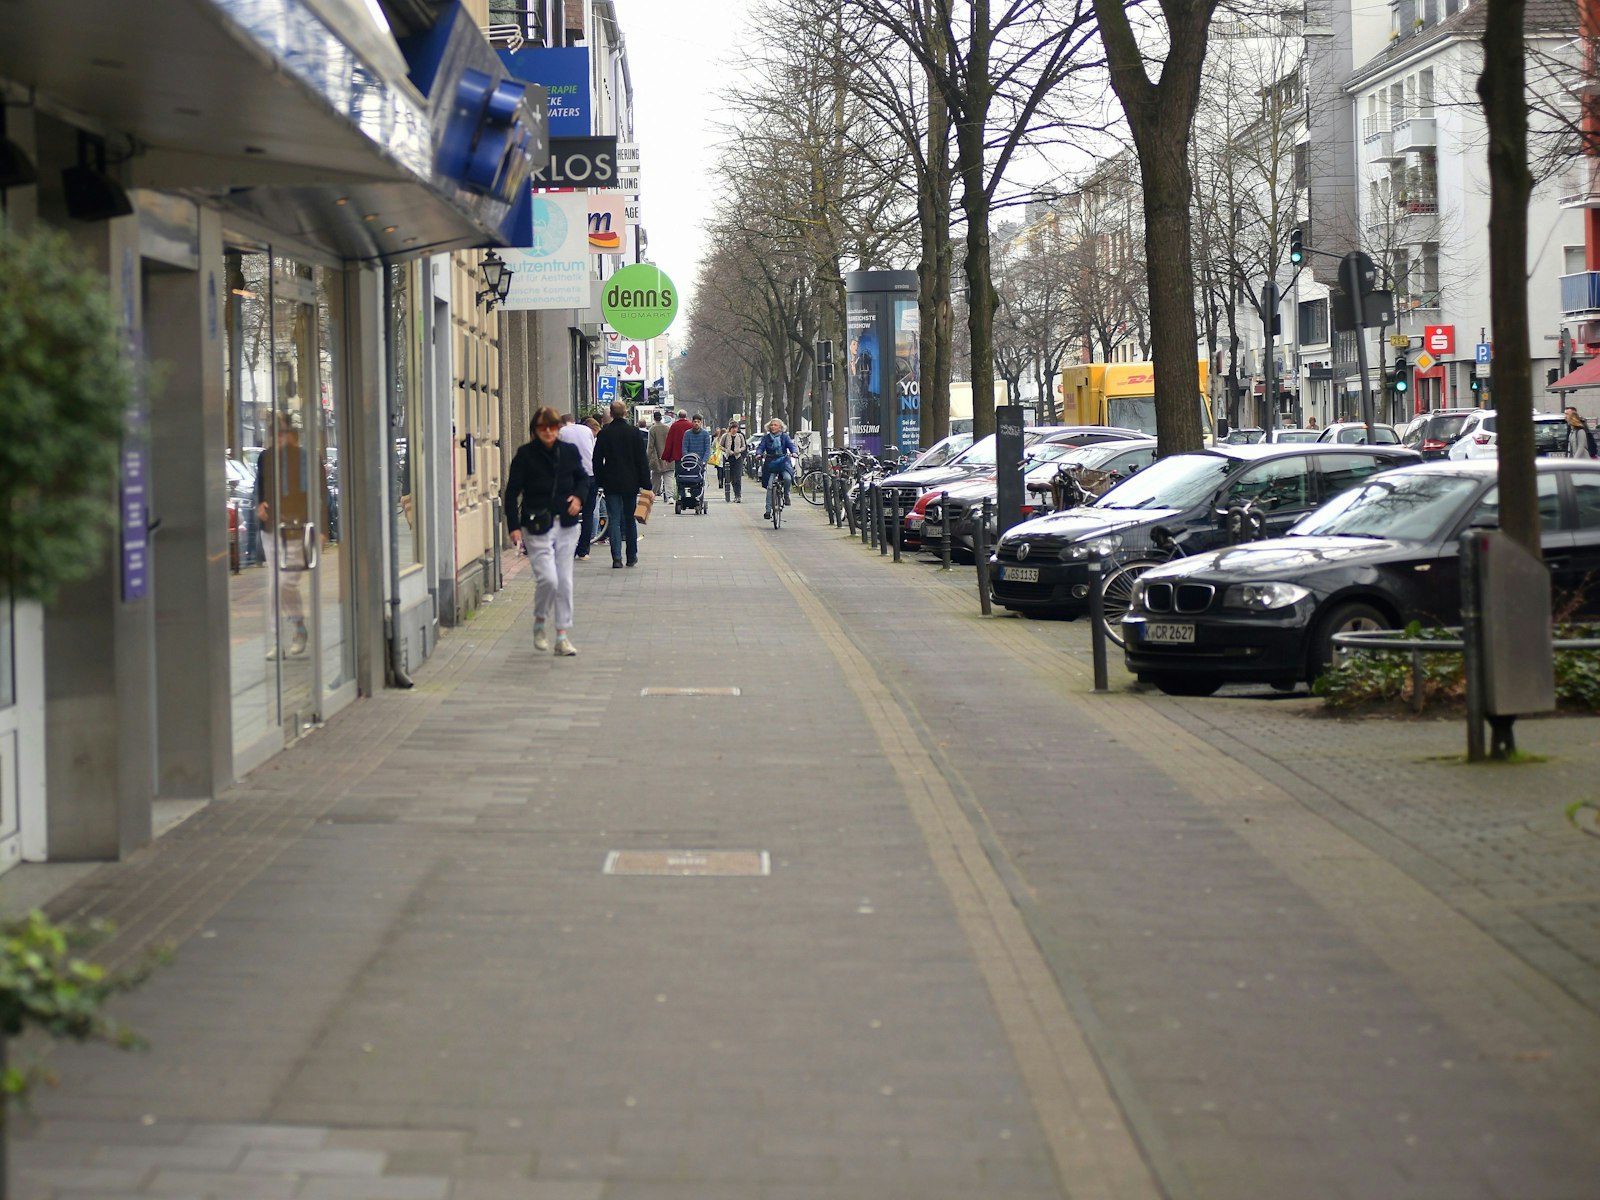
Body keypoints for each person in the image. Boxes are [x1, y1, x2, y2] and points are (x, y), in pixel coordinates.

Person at [506, 407, 585, 656]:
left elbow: (583, 478)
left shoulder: (569, 452)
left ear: (558, 428)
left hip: (567, 524)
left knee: (564, 581)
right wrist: (514, 527)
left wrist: (579, 498)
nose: (548, 432)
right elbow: (511, 493)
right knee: (548, 579)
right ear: (535, 430)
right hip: (537, 524)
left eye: (552, 427)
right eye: (542, 428)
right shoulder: (525, 455)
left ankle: (562, 635)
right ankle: (540, 621)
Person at [254, 413, 329, 660]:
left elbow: (322, 496)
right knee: (275, 585)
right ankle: (278, 639)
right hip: (272, 530)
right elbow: (259, 488)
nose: (278, 439)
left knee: (286, 583)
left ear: (293, 435)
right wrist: (260, 506)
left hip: (299, 530)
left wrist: (322, 530)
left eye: (283, 433)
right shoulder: (265, 458)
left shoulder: (308, 459)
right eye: (275, 434)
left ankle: (298, 626)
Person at [593, 397, 651, 568]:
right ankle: (631, 556)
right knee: (630, 518)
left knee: (614, 518)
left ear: (610, 414)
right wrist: (646, 484)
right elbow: (642, 460)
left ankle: (616, 558)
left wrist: (600, 479)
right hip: (630, 482)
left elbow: (596, 460)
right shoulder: (634, 433)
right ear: (625, 413)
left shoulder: (605, 433)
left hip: (611, 482)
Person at [559, 413, 598, 560]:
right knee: (588, 514)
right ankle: (583, 551)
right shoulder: (587, 431)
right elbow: (592, 452)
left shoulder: (562, 432)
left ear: (562, 424)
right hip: (590, 475)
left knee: (570, 512)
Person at [758, 418, 799, 518]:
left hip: (783, 462)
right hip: (771, 463)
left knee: (787, 478)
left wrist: (794, 452)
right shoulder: (766, 438)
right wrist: (758, 454)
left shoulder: (785, 437)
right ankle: (768, 511)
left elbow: (791, 446)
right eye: (771, 425)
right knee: (770, 487)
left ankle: (786, 495)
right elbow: (761, 447)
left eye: (775, 425)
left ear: (780, 427)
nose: (773, 427)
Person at [717, 420, 747, 502]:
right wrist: (727, 450)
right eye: (732, 428)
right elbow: (720, 446)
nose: (734, 430)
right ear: (730, 429)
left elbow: (744, 446)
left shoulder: (740, 436)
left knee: (737, 477)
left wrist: (739, 450)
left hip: (737, 458)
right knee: (728, 477)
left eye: (735, 428)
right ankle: (727, 494)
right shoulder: (725, 436)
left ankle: (738, 495)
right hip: (728, 458)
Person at [647, 410, 671, 497]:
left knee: (655, 478)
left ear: (654, 418)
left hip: (657, 458)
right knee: (668, 478)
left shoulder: (652, 429)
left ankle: (652, 494)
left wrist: (647, 459)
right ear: (661, 418)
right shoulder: (667, 428)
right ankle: (669, 496)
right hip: (668, 458)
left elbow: (650, 446)